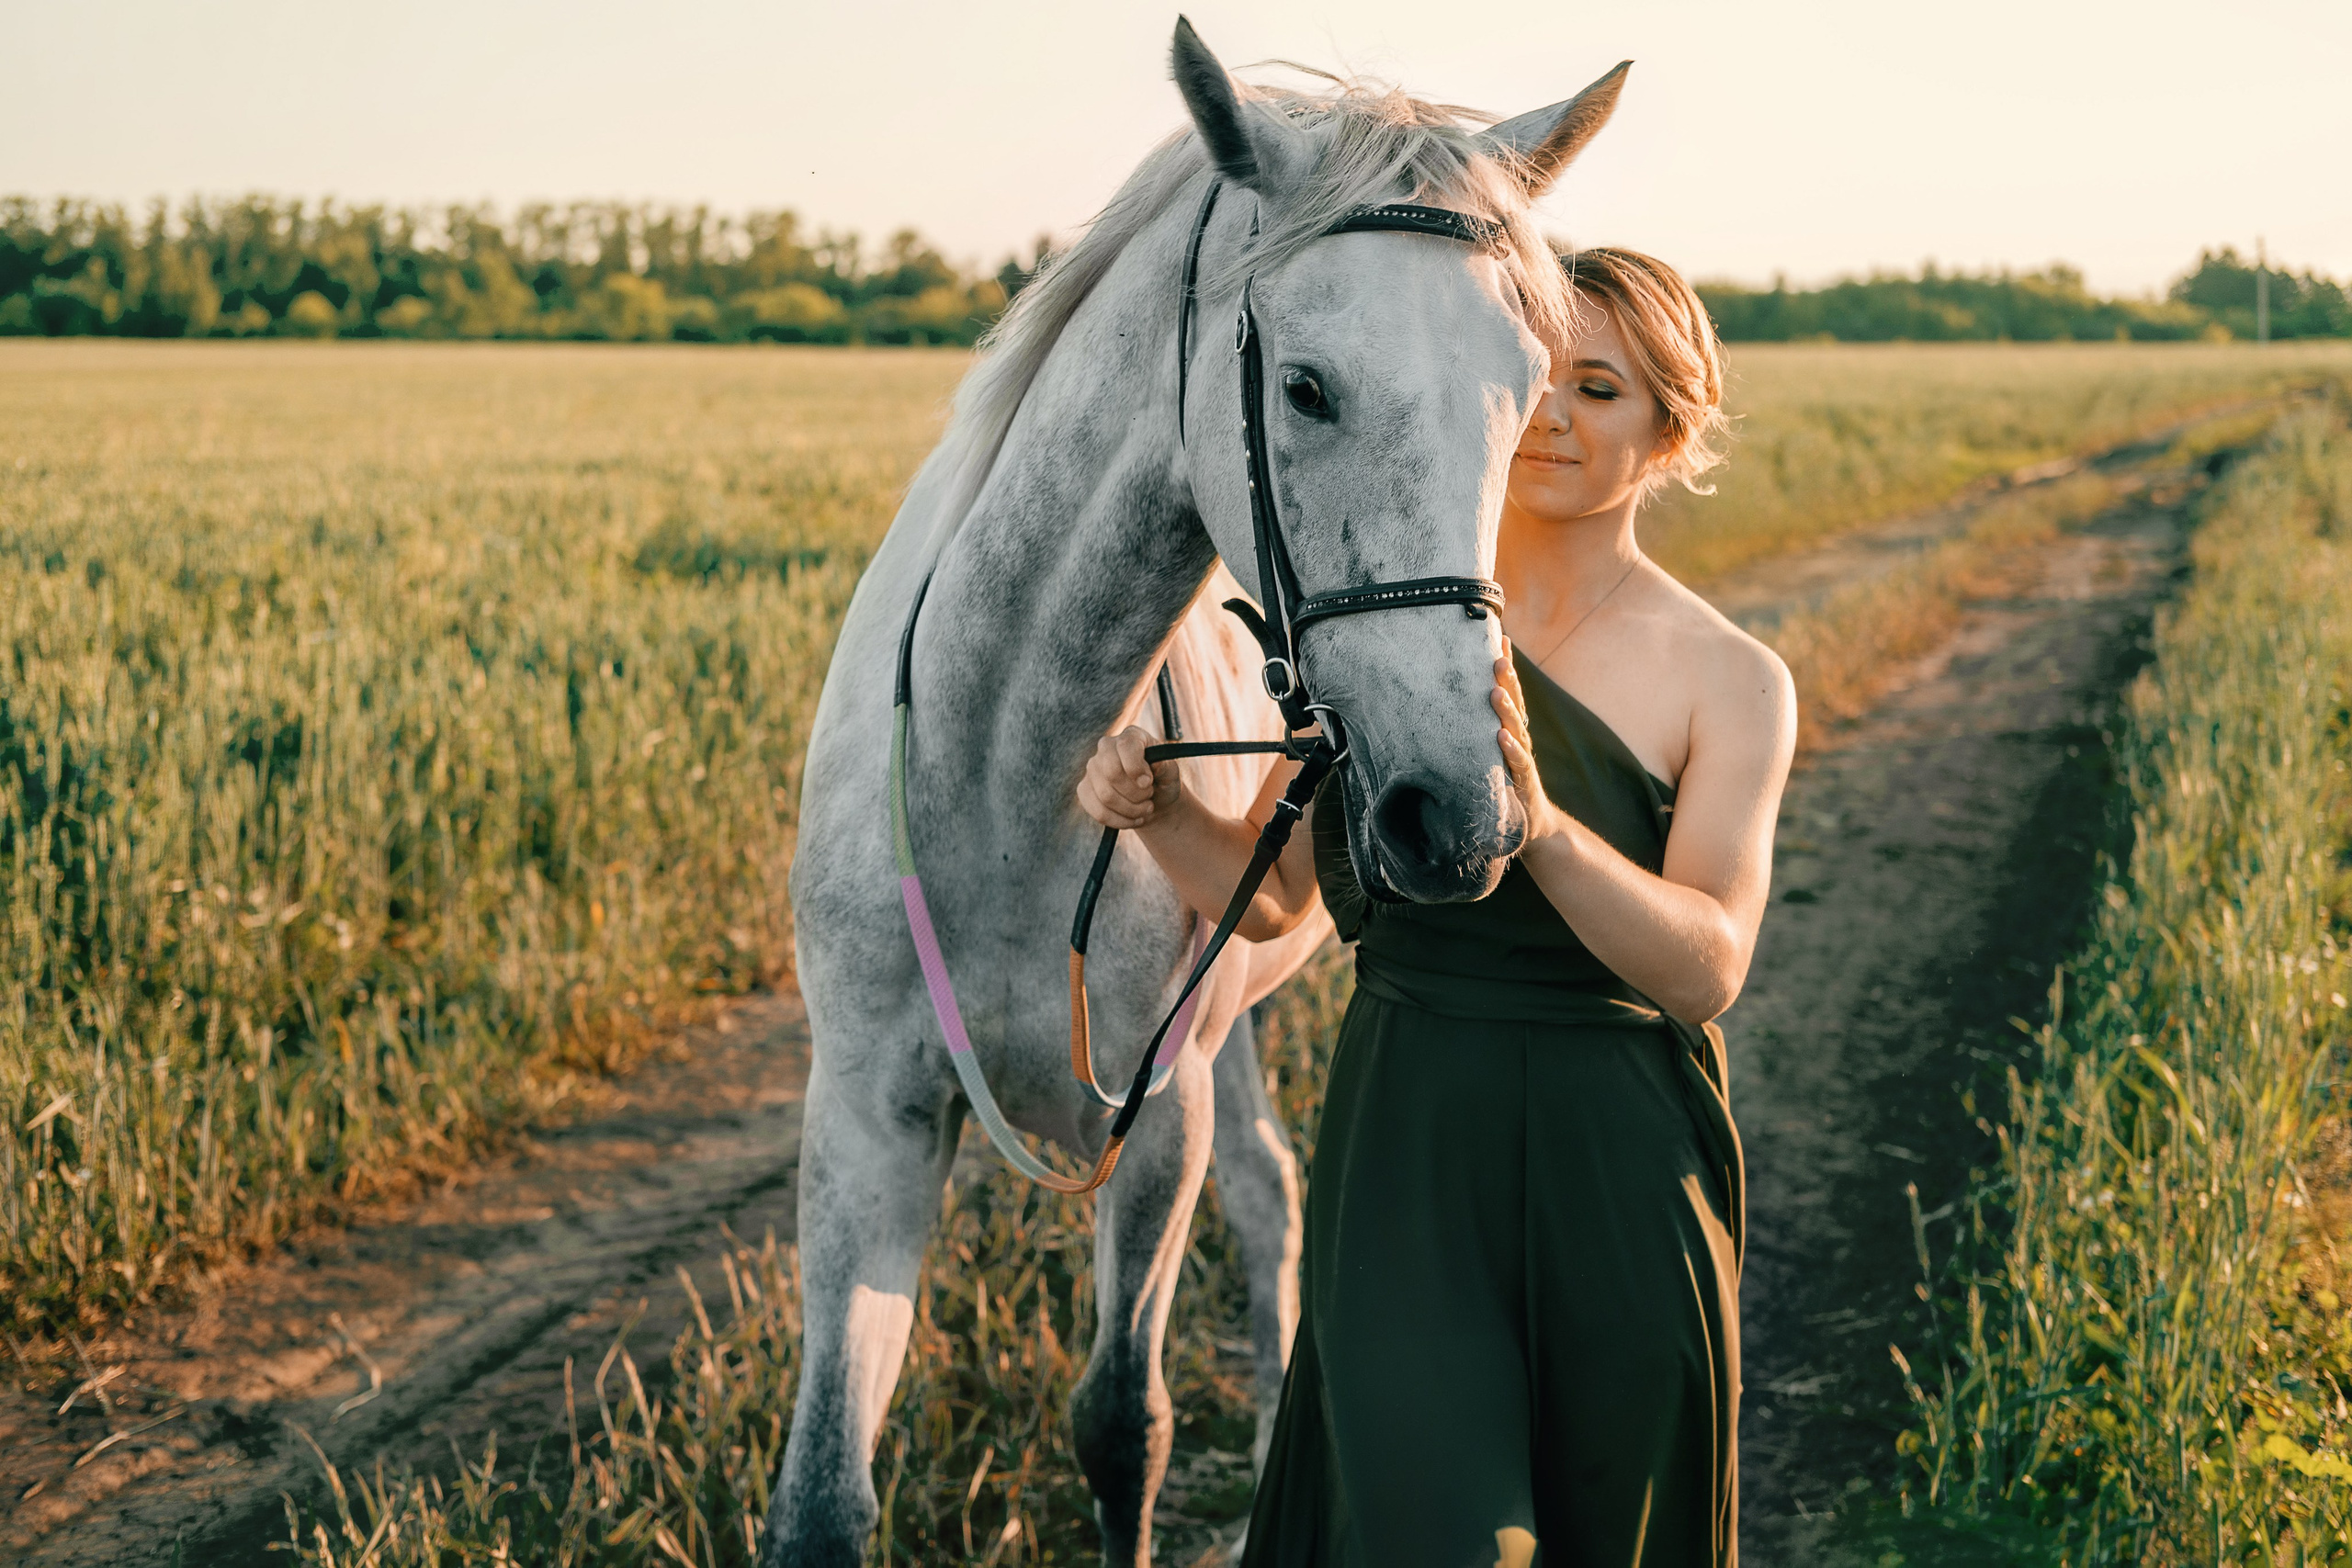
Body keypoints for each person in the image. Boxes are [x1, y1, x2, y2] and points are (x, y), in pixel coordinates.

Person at [1078, 246, 1794, 1567]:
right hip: (1410, 1140)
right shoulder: (1391, 619)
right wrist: (1158, 812)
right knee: (1436, 1539)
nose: (1558, 420)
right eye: (1540, 383)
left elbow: (1707, 968)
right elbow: (1282, 896)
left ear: (1672, 430)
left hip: (1624, 1168)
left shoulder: (1730, 679)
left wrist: (1546, 833)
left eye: (1604, 389)